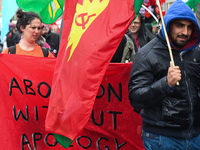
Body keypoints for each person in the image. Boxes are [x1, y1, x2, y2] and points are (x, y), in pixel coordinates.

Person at [128, 0, 200, 149]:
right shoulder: (146, 54)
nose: (185, 32)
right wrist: (165, 84)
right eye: (179, 25)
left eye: (189, 27)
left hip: (195, 136)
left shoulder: (196, 53)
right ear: (168, 25)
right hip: (162, 138)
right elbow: (136, 98)